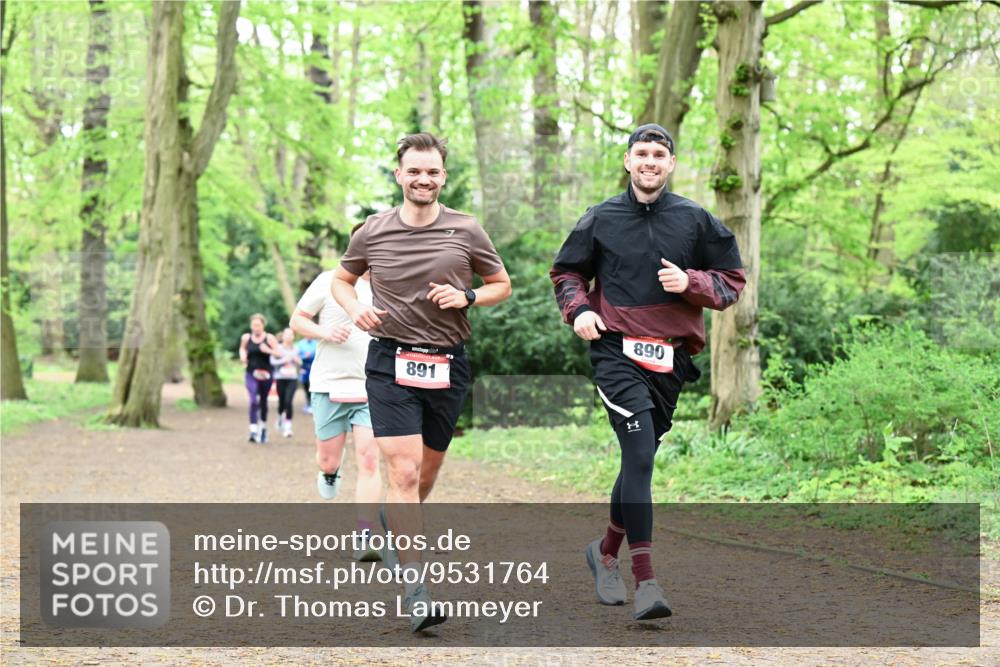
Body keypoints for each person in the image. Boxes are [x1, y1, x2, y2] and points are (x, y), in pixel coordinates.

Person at [550, 124, 745, 621]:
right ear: (628, 161)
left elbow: (731, 282)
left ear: (671, 164)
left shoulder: (696, 220)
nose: (650, 161)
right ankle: (647, 581)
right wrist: (579, 312)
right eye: (642, 153)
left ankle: (604, 551)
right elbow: (567, 272)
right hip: (615, 352)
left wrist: (691, 281)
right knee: (638, 453)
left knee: (637, 460)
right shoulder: (601, 217)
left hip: (671, 360)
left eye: (659, 154)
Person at [332, 132, 512, 632]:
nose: (423, 179)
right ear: (399, 174)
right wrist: (357, 310)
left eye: (432, 171)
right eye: (414, 171)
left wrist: (469, 298)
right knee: (405, 473)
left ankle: (396, 525)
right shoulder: (372, 231)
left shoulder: (467, 229)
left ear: (443, 177)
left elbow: (502, 284)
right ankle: (416, 588)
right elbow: (341, 280)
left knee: (425, 475)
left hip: (447, 364)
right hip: (390, 362)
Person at [290, 249, 383, 562]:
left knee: (370, 460)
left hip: (372, 386)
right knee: (328, 460)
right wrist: (324, 331)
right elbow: (297, 320)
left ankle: (365, 534)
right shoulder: (329, 280)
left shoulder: (390, 285)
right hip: (328, 384)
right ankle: (330, 473)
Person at [239, 314, 280, 444]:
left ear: (263, 325)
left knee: (263, 401)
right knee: (252, 401)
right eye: (254, 325)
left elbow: (279, 354)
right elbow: (242, 349)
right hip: (251, 373)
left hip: (266, 374)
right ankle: (253, 429)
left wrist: (268, 350)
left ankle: (263, 427)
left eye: (258, 325)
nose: (256, 328)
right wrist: (242, 355)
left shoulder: (269, 338)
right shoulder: (246, 338)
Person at [270, 328, 301, 438]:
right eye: (286, 334)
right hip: (280, 378)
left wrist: (298, 361)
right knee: (282, 403)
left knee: (289, 401)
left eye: (291, 334)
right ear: (283, 336)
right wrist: (284, 359)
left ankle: (288, 427)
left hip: (292, 378)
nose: (288, 336)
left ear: (293, 337)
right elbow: (272, 362)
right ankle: (279, 417)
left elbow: (300, 362)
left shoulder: (296, 349)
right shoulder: (277, 348)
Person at [296, 336, 317, 414]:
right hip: (304, 367)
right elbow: (297, 355)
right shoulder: (300, 344)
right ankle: (308, 403)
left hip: (314, 367)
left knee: (313, 385)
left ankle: (313, 404)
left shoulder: (316, 343)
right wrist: (304, 356)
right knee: (305, 385)